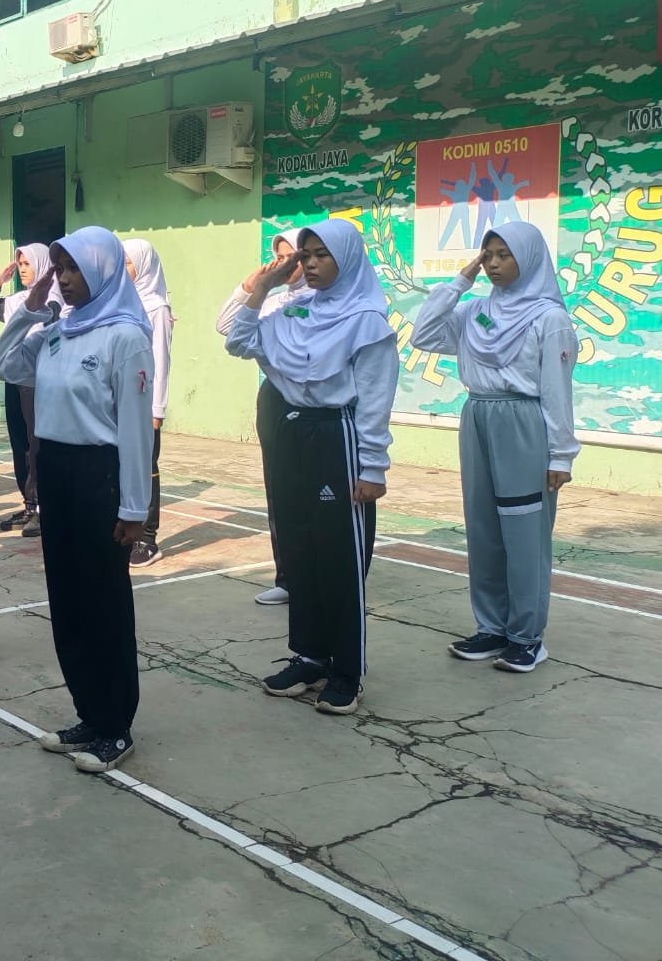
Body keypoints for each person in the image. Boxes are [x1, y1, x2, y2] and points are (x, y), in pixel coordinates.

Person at [0, 226, 153, 773]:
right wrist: (30, 309)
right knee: (68, 598)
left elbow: (135, 430)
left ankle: (116, 725)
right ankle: (89, 713)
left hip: (99, 474)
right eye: (59, 269)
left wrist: (134, 508)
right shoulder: (58, 330)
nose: (64, 278)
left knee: (105, 601)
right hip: (57, 472)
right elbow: (3, 365)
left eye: (74, 268)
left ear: (102, 270)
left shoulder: (126, 337)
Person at [224, 219, 398, 716]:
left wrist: (372, 467)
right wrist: (261, 288)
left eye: (323, 255)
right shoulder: (294, 310)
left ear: (348, 259)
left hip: (337, 435)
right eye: (306, 256)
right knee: (299, 551)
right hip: (292, 433)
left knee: (339, 558)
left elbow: (375, 398)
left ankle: (346, 671)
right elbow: (237, 341)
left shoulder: (367, 320)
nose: (312, 264)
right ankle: (309, 656)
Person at [412, 223, 577, 674]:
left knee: (524, 534)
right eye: (488, 255)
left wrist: (560, 454)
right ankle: (491, 627)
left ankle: (526, 637)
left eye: (505, 254)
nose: (493, 264)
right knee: (483, 528)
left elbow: (556, 390)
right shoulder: (474, 311)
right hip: (477, 416)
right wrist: (459, 281)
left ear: (530, 257)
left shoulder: (549, 319)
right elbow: (423, 334)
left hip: (523, 422)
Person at [216, 230, 305, 606]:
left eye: (293, 256)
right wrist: (253, 284)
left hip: (315, 403)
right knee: (279, 490)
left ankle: (322, 575)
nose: (286, 264)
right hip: (275, 400)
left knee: (314, 492)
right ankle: (288, 577)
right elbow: (226, 326)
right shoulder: (274, 301)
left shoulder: (330, 301)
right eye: (280, 257)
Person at [0, 244, 57, 536]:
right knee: (19, 445)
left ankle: (43, 507)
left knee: (37, 447)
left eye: (27, 264)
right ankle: (28, 504)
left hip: (37, 382)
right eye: (20, 264)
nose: (23, 269)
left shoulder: (53, 301)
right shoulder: (16, 301)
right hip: (14, 379)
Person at [122, 239, 174, 568]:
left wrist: (157, 410)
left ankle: (148, 538)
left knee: (146, 469)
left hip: (144, 404)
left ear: (143, 266)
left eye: (128, 263)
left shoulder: (157, 307)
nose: (123, 269)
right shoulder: (119, 302)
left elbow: (161, 360)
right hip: (119, 402)